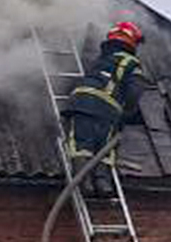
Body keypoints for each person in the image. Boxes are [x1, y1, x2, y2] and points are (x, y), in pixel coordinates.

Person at [61, 20, 149, 182]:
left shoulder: (98, 61)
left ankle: (84, 183)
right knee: (104, 149)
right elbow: (135, 90)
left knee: (81, 145)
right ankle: (103, 184)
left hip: (80, 103)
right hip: (107, 109)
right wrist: (127, 113)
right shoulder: (131, 62)